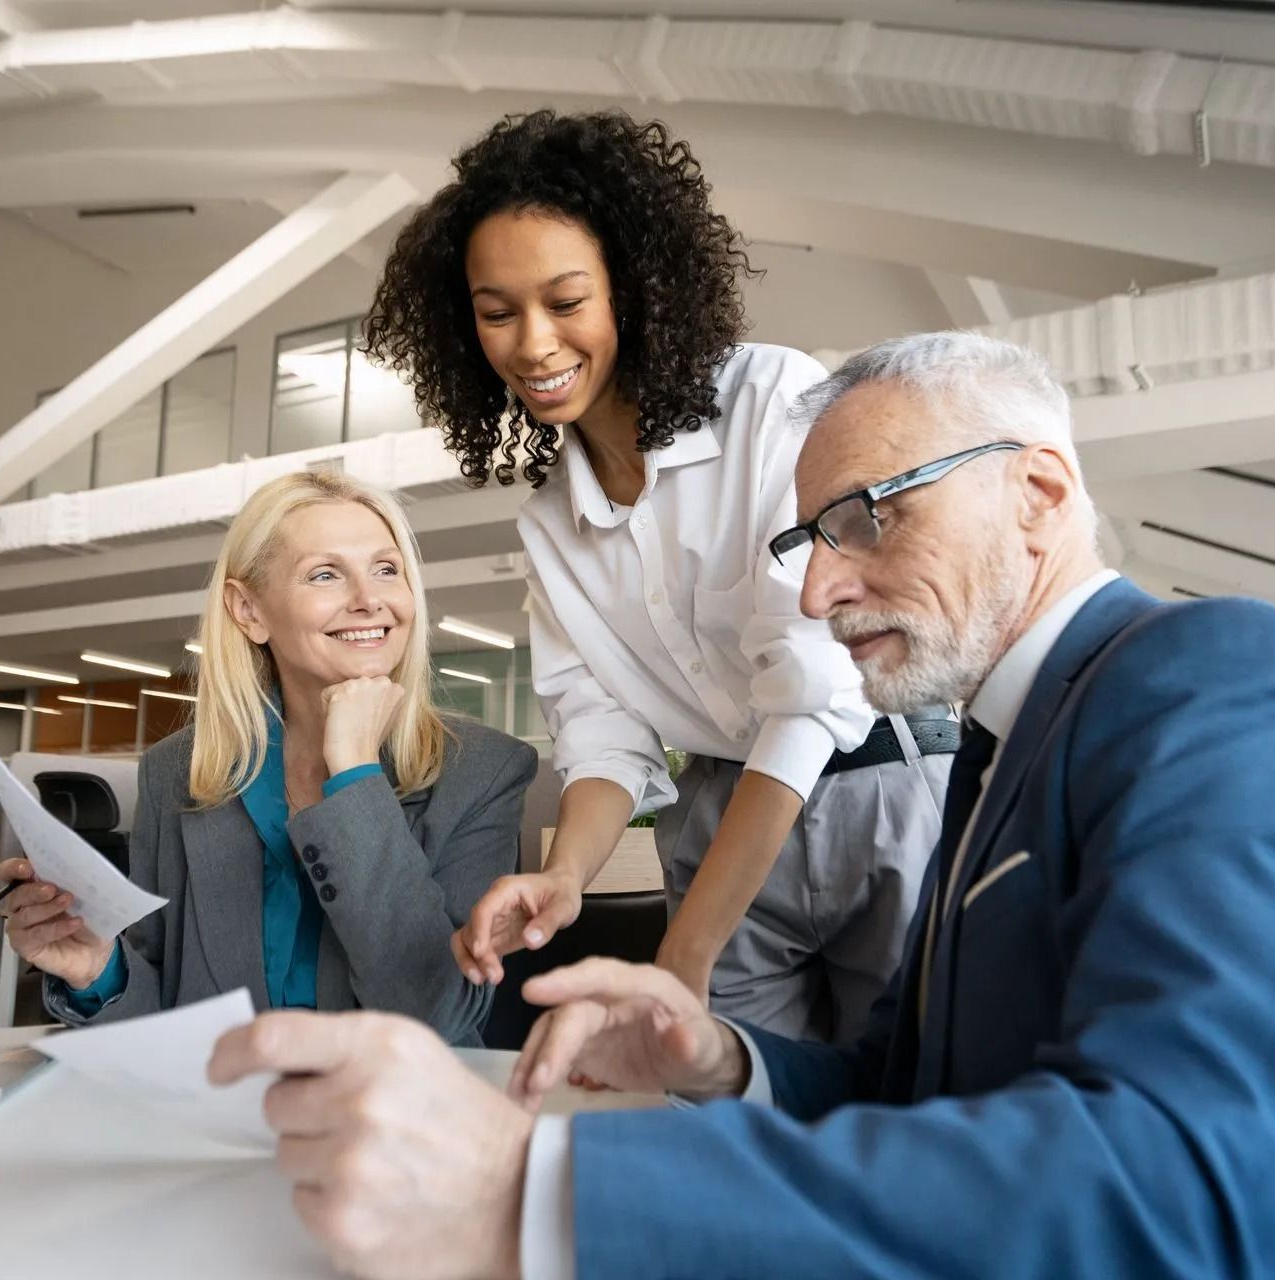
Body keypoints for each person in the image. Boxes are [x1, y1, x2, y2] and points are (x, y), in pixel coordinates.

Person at [205, 333, 1275, 1279]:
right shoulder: (999, 760)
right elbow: (909, 1086)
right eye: (805, 542)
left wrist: (536, 1190)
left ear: (1040, 493)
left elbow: (1175, 1191)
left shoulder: (1222, 681)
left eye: (865, 520)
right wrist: (723, 1060)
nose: (819, 591)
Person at [364, 109, 951, 1040]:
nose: (532, 344)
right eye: (496, 313)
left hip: (875, 788)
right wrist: (565, 876)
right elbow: (605, 738)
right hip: (721, 818)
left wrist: (688, 951)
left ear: (630, 290)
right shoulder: (553, 523)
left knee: (913, 1109)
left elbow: (810, 694)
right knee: (725, 1123)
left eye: (565, 302)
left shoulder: (770, 404)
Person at [4, 471, 535, 1045]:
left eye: (387, 569)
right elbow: (166, 1010)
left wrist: (355, 772)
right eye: (326, 574)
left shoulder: (482, 771)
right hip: (214, 1110)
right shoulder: (178, 773)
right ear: (248, 610)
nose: (369, 600)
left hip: (386, 1117)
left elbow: (437, 1016)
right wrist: (95, 971)